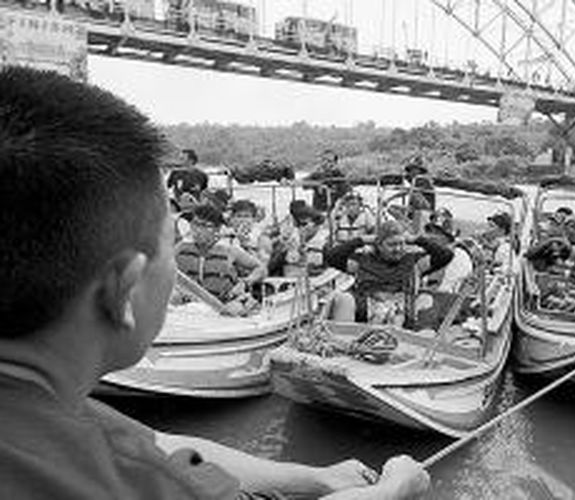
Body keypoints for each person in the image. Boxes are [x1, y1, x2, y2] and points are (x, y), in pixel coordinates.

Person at [0, 66, 429, 500]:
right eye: (171, 243)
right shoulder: (136, 484)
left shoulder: (55, 409)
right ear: (124, 290)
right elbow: (159, 466)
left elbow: (163, 445)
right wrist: (394, 489)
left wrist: (316, 477)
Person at [325, 220, 453, 326]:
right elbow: (332, 257)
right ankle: (343, 340)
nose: (398, 249)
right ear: (379, 245)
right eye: (392, 245)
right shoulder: (363, 261)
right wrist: (361, 240)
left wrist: (417, 239)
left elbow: (445, 255)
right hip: (368, 310)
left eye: (401, 244)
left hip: (402, 311)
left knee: (426, 299)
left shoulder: (415, 261)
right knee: (343, 298)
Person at [175, 204, 267, 306]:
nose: (198, 230)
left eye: (205, 226)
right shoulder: (180, 248)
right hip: (188, 307)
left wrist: (245, 283)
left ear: (217, 229)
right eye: (195, 224)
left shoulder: (230, 250)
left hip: (222, 306)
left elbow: (260, 268)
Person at [227, 199, 273, 266]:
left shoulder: (261, 238)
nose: (242, 220)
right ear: (233, 218)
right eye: (239, 216)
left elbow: (263, 264)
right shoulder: (226, 235)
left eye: (246, 216)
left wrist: (245, 244)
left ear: (253, 219)